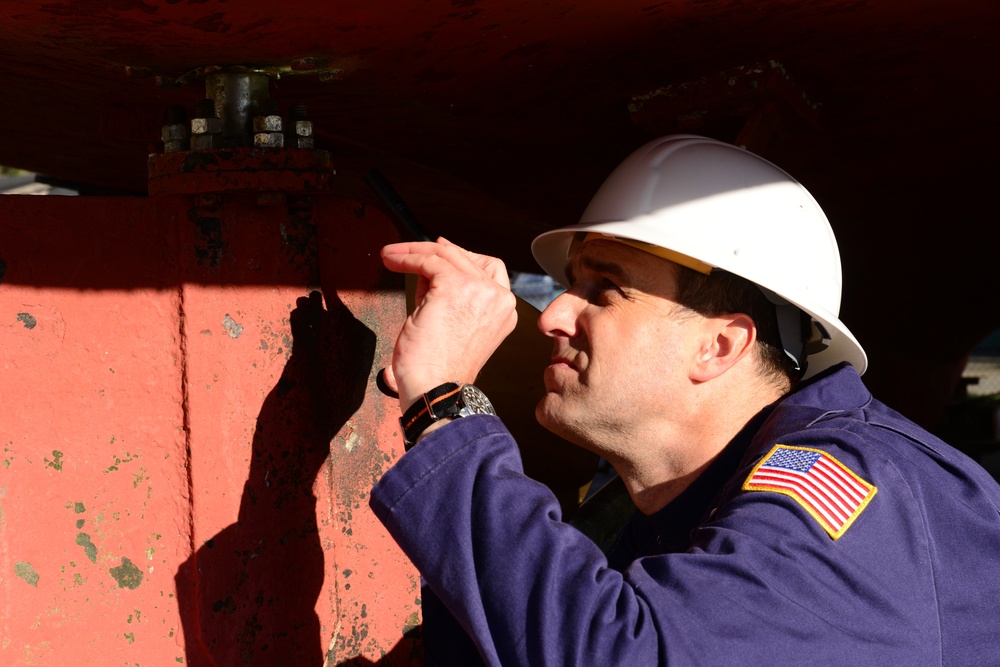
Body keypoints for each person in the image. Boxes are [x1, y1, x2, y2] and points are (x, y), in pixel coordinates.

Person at [369, 135, 1000, 665]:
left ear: (720, 346)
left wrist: (444, 407)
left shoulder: (842, 483)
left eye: (606, 288)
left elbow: (630, 656)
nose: (553, 315)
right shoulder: (668, 522)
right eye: (569, 285)